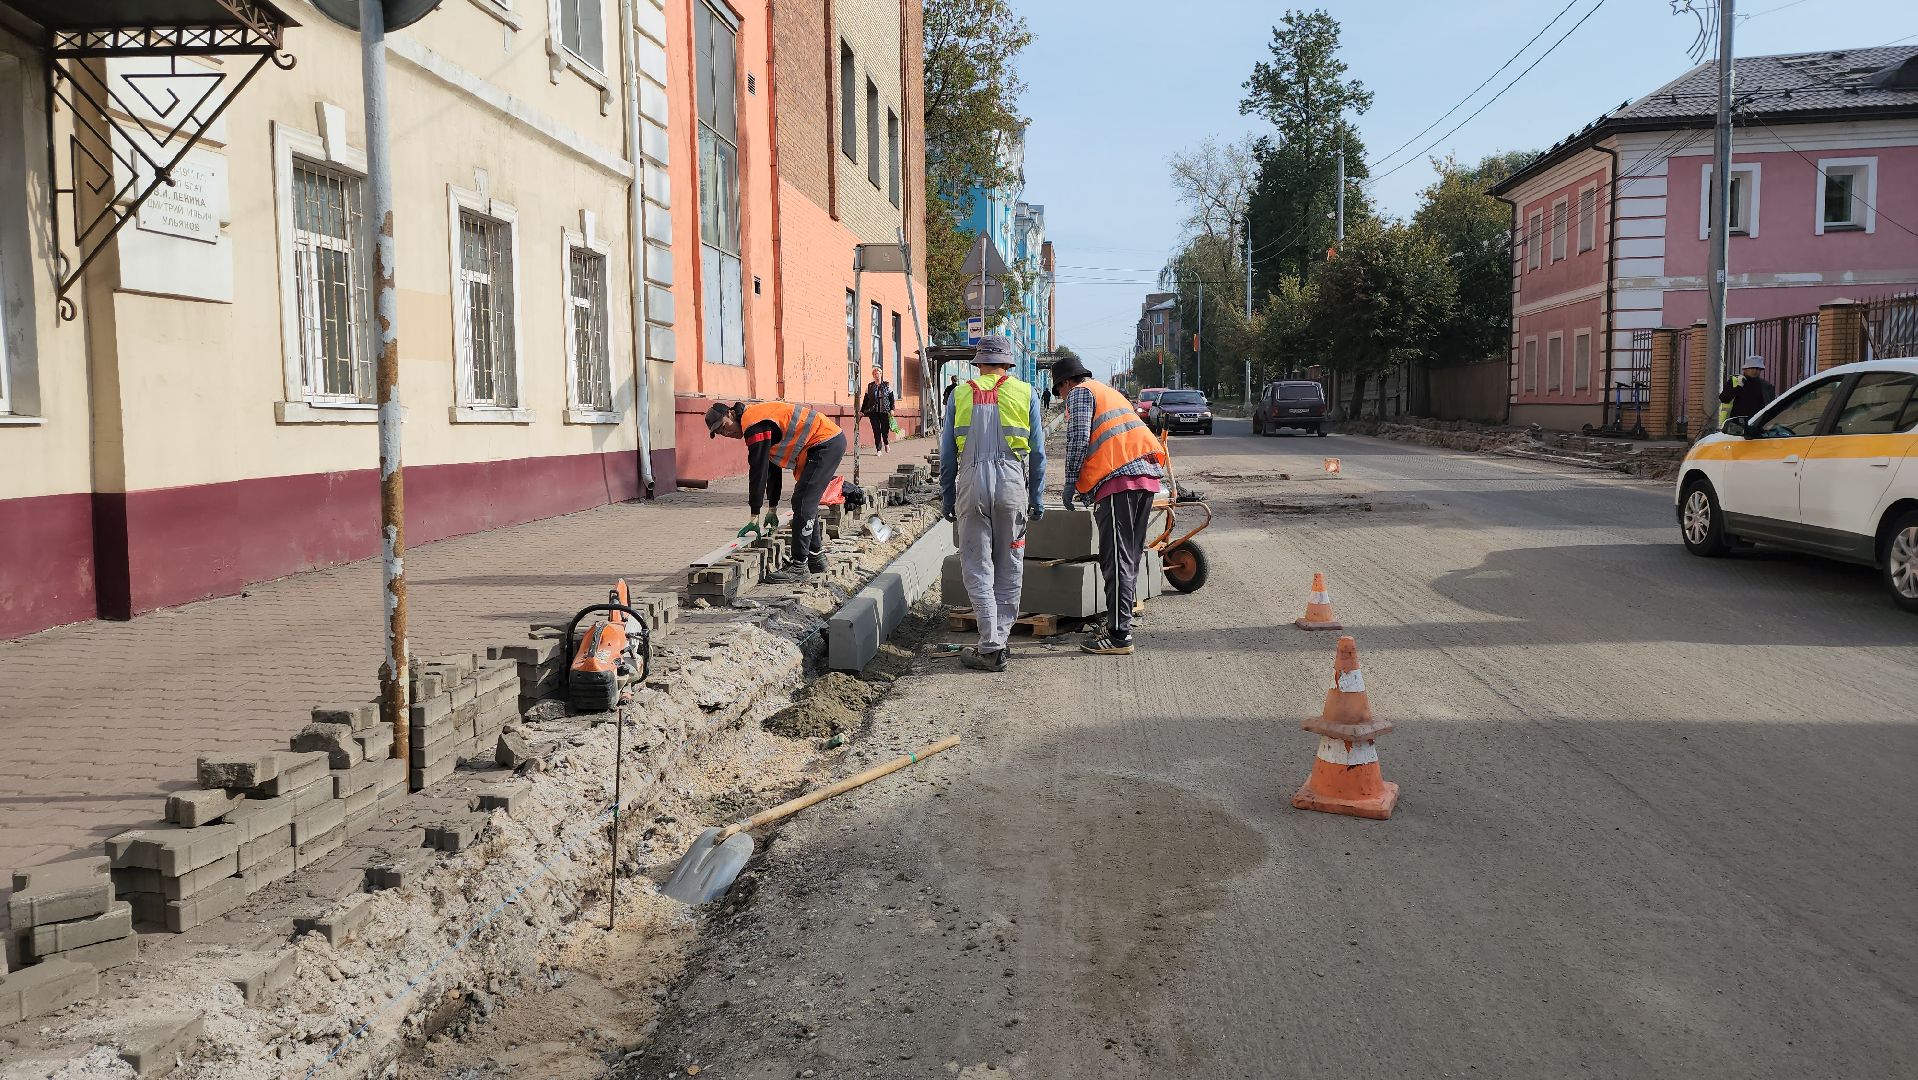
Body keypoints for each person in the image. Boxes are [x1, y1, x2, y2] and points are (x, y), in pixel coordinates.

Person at [940, 335, 1046, 672]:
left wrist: (947, 495)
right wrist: (1037, 496)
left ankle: (991, 644)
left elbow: (946, 456)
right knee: (1010, 563)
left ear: (979, 363)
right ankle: (997, 640)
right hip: (1012, 485)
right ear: (1008, 363)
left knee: (976, 564)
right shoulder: (1026, 392)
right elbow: (1039, 454)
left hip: (972, 483)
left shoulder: (959, 393)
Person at [1051, 353, 1164, 656]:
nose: (1062, 398)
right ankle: (1119, 621)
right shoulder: (1110, 392)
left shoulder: (1079, 393)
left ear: (1065, 383)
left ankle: (1118, 635)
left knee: (1115, 558)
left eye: (1058, 391)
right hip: (1145, 477)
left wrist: (1070, 482)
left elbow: (1077, 439)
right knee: (1129, 554)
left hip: (1118, 481)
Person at [706, 399, 846, 583]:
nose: (727, 432)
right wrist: (772, 508)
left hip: (824, 442)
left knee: (803, 503)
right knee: (804, 502)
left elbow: (758, 471)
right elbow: (772, 469)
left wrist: (754, 515)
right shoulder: (755, 420)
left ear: (731, 413)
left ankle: (799, 566)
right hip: (824, 443)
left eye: (724, 426)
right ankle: (816, 559)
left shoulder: (753, 424)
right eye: (721, 432)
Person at [1719, 356, 1776, 426]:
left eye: (1757, 368)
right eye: (1751, 368)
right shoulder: (1735, 381)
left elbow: (1769, 405)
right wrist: (1738, 387)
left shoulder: (1765, 385)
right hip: (1736, 423)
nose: (1754, 371)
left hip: (1756, 423)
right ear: (1745, 369)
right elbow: (1724, 399)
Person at [861, 368, 896, 456]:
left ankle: (886, 443)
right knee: (876, 431)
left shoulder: (887, 385)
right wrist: (862, 411)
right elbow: (866, 400)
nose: (877, 376)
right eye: (875, 374)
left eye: (878, 374)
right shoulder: (870, 386)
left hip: (885, 411)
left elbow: (891, 398)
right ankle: (878, 449)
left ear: (881, 374)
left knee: (885, 430)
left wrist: (892, 409)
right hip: (873, 412)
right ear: (873, 376)